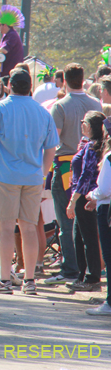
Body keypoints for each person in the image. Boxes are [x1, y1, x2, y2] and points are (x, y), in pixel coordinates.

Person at [0, 69, 59, 295]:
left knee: (5, 229)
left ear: (9, 85)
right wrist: (42, 174)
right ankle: (30, 280)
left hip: (5, 176)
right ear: (29, 86)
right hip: (33, 178)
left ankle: (4, 280)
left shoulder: (0, 108)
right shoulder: (42, 112)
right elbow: (51, 147)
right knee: (29, 228)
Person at [46, 63, 101, 286]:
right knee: (85, 224)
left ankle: (71, 268)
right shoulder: (94, 102)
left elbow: (53, 140)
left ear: (64, 80)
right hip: (92, 166)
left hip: (68, 165)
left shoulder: (60, 106)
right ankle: (85, 270)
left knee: (66, 222)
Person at [65, 111, 105, 292]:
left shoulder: (93, 147)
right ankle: (82, 275)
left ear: (89, 126)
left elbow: (86, 176)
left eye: (83, 122)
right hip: (85, 196)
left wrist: (73, 200)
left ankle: (92, 277)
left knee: (87, 237)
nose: (81, 125)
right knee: (79, 237)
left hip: (85, 197)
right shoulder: (90, 145)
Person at [84, 131, 111, 315]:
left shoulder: (109, 157)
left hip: (107, 209)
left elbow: (104, 189)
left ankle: (110, 302)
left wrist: (92, 195)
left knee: (109, 256)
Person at [0, 5, 25, 77]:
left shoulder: (12, 35)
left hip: (11, 73)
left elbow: (4, 50)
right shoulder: (7, 35)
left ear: (4, 25)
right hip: (6, 72)